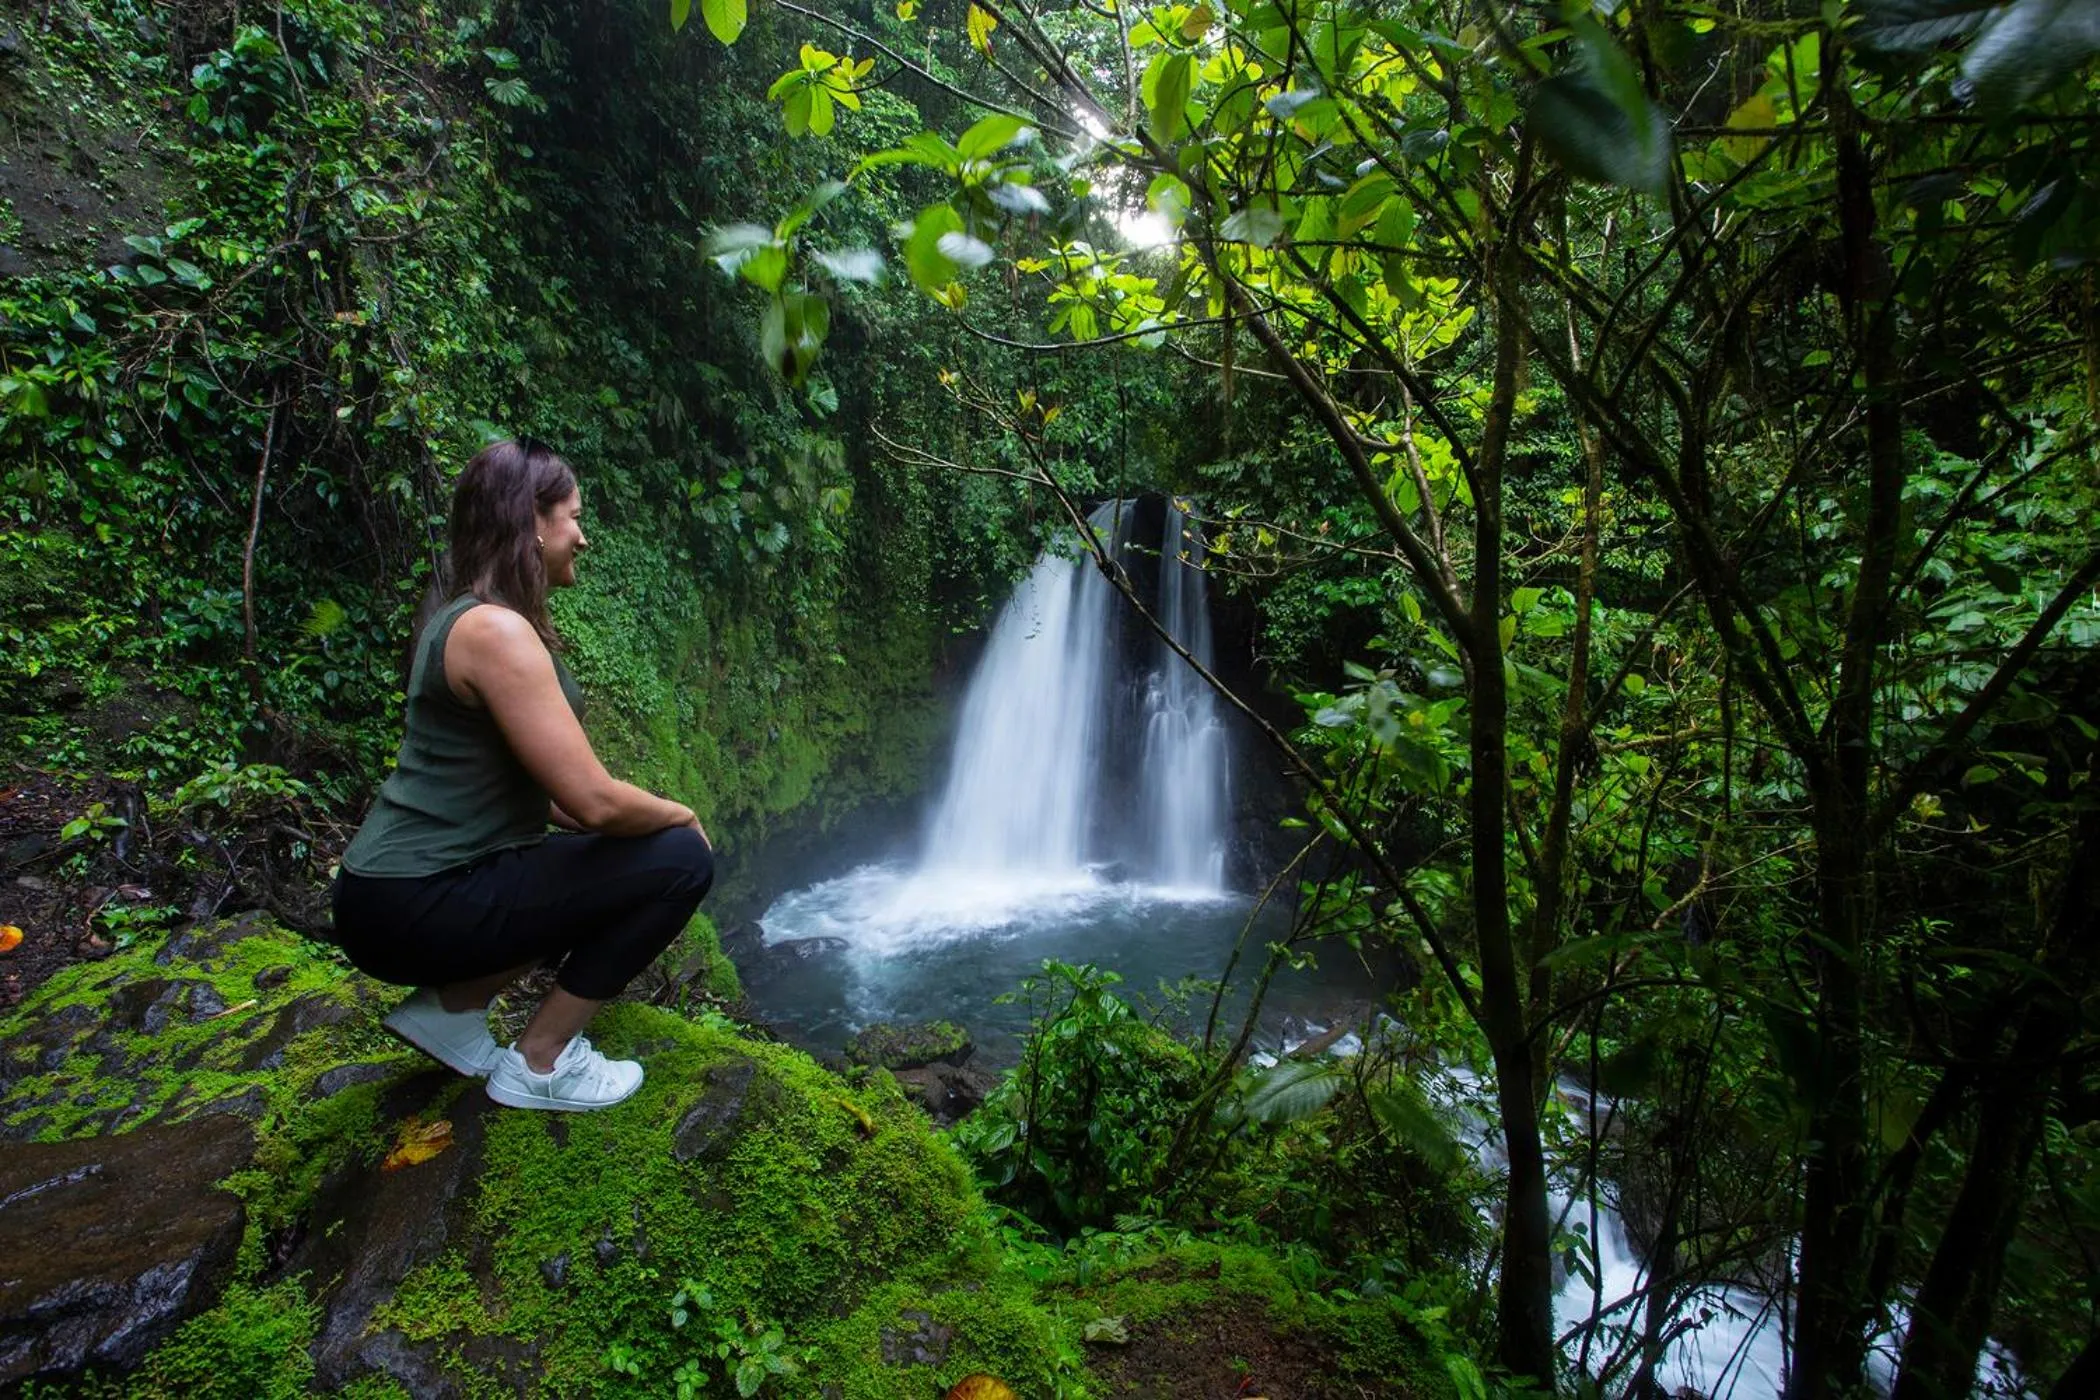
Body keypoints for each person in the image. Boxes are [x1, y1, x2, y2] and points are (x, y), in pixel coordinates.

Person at [332, 438, 714, 1111]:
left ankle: (450, 1011)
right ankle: (543, 1062)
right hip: (416, 896)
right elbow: (593, 801)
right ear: (531, 523)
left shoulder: (471, 621)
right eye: (572, 516)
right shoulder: (496, 634)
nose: (583, 538)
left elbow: (550, 801)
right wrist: (678, 819)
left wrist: (626, 840)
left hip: (395, 893)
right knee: (680, 860)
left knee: (616, 863)